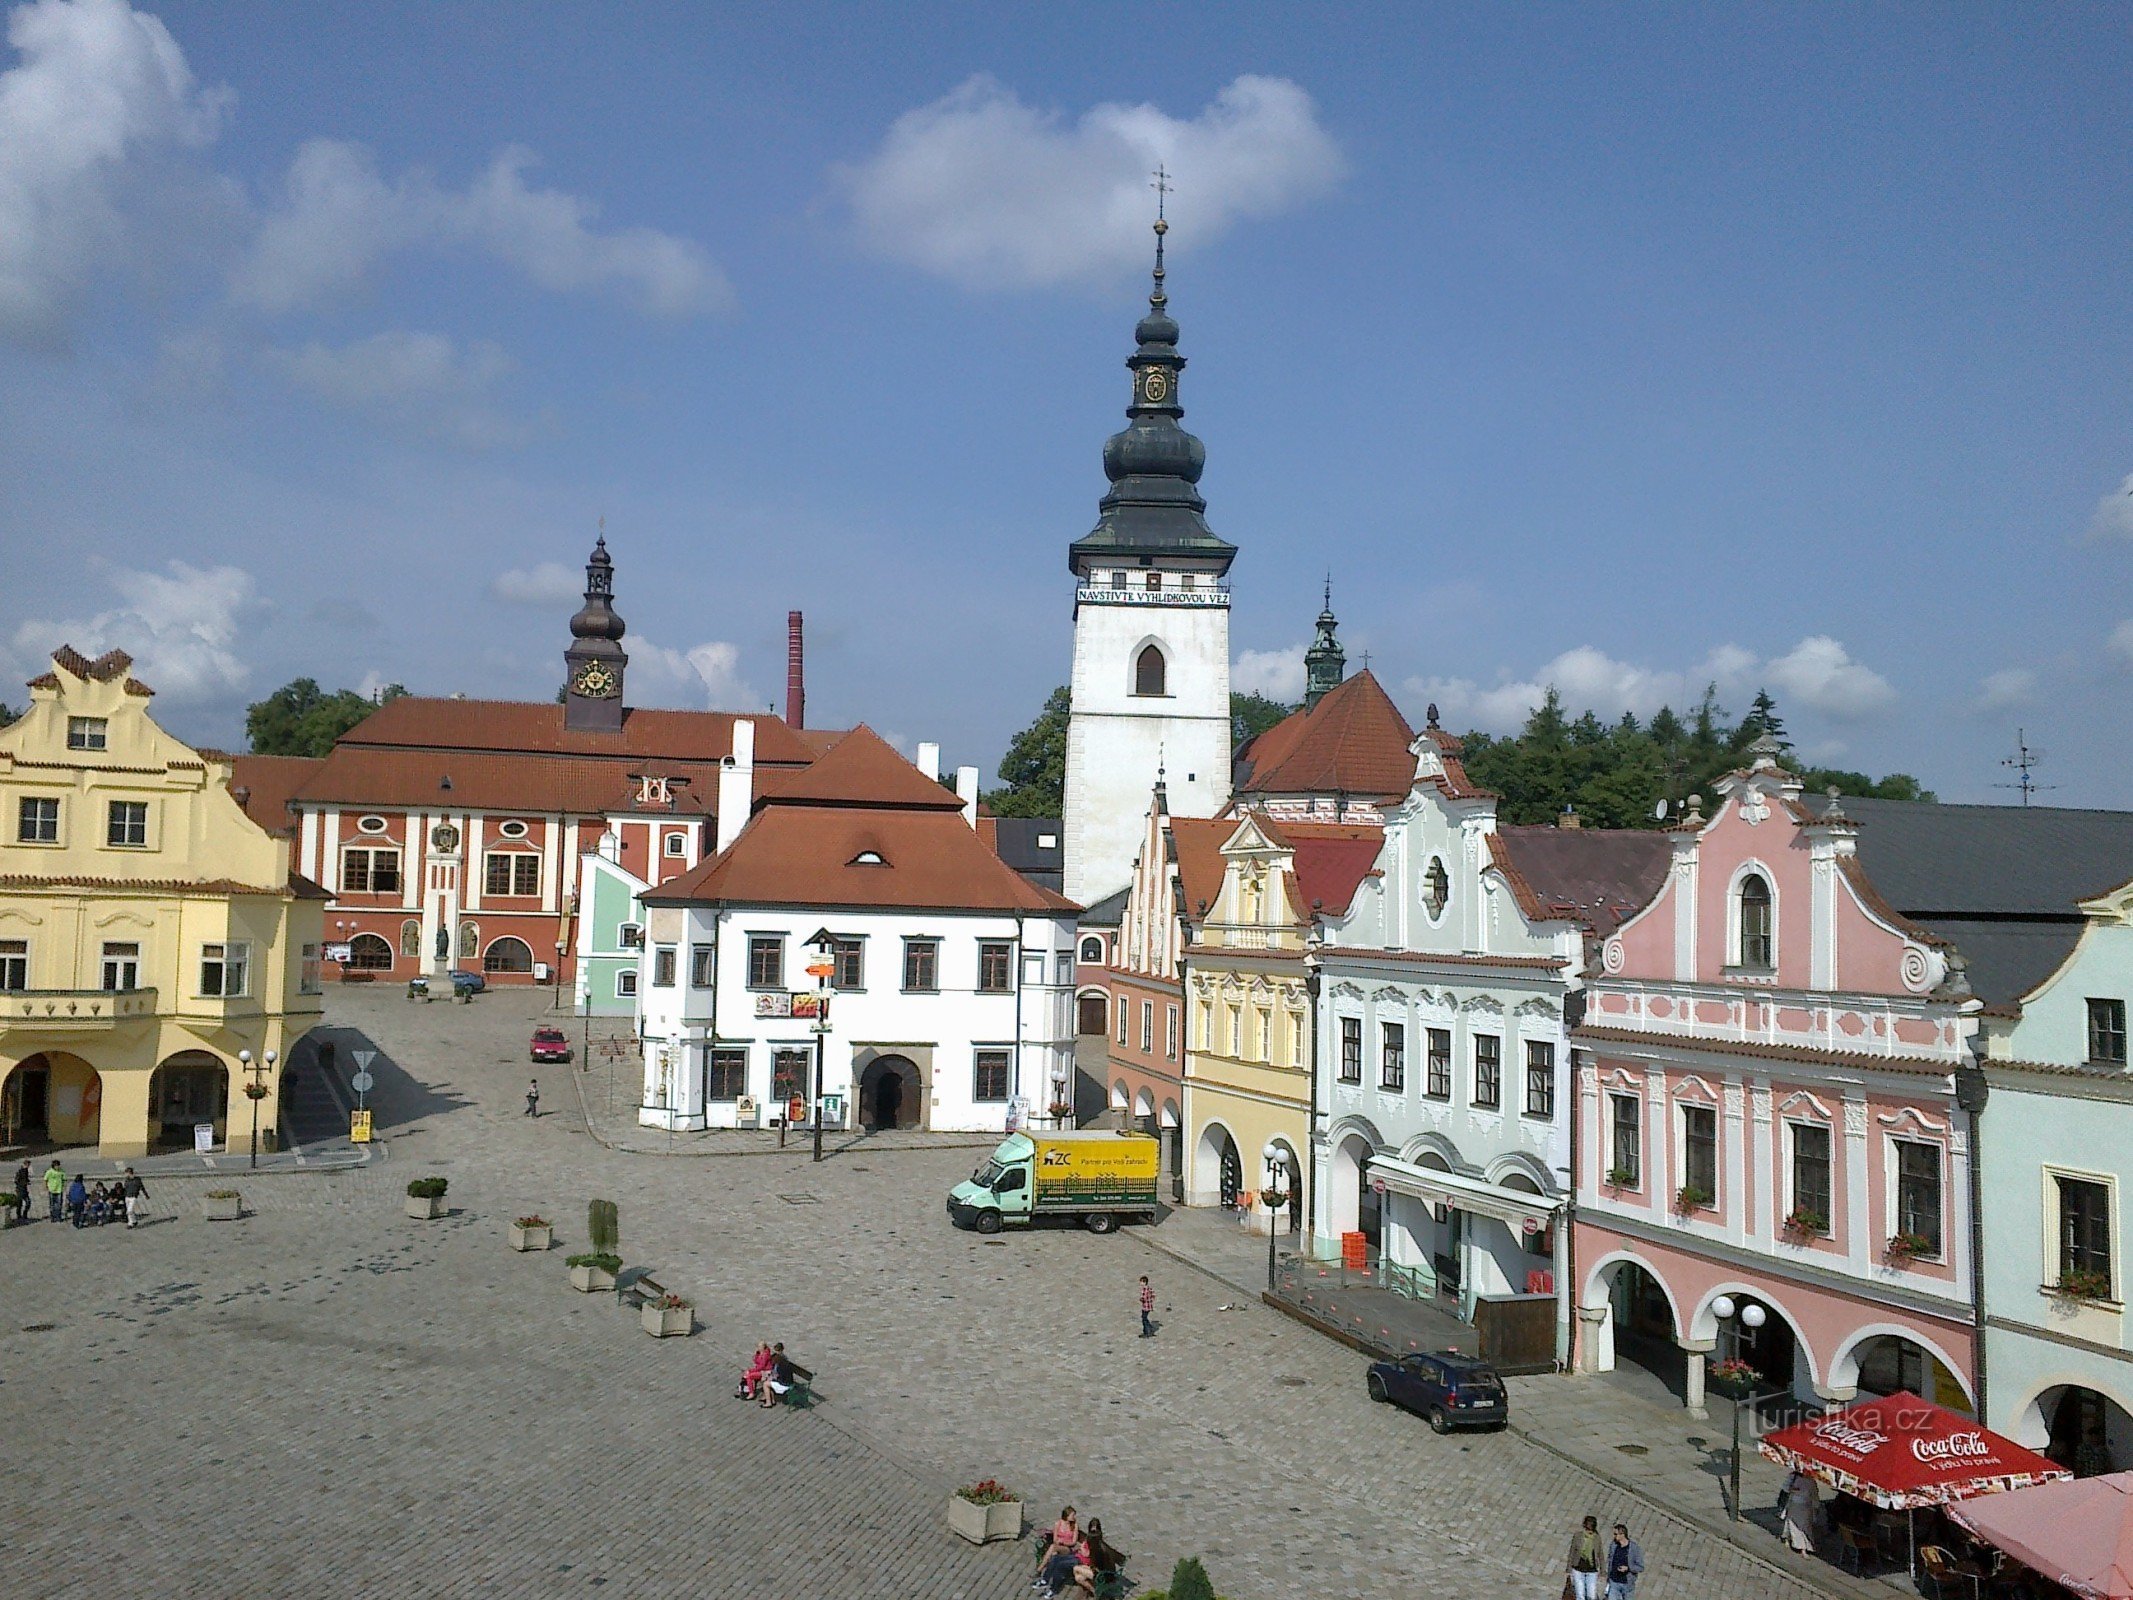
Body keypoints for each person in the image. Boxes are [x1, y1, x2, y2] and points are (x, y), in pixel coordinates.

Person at [1075, 1517, 1125, 1596]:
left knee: (1076, 1569)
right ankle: (1094, 1592)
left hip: (1103, 1576)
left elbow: (1096, 1567)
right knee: (1078, 1578)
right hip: (1107, 1573)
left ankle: (1095, 1592)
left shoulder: (1097, 1550)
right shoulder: (1103, 1546)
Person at [1033, 1508, 1078, 1591]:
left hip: (1067, 1549)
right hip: (1057, 1546)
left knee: (1053, 1548)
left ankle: (1040, 1570)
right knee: (1054, 1554)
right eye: (1072, 1515)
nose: (1074, 1517)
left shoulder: (1074, 1525)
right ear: (1067, 1516)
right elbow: (1055, 1539)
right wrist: (1059, 1542)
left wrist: (1064, 1542)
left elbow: (1074, 1542)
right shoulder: (1058, 1524)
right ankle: (1049, 1581)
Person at [1781, 1468, 1819, 1555]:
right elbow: (1785, 1488)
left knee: (1805, 1527)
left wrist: (1815, 1507)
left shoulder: (1811, 1481)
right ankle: (1796, 1543)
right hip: (1794, 1505)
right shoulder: (1793, 1477)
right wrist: (1793, 1489)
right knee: (1793, 1525)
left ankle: (1805, 1547)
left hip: (1806, 1507)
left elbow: (1814, 1495)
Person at [1567, 1514, 1603, 1600]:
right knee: (1580, 1595)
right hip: (1578, 1569)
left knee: (1591, 1595)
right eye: (1587, 1530)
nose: (1589, 1532)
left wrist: (1603, 1571)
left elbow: (1600, 1555)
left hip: (1592, 1571)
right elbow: (1572, 1552)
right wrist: (1568, 1568)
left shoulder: (1597, 1538)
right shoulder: (1578, 1536)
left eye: (1591, 1530)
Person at [1606, 1523, 1644, 1599]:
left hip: (1627, 1584)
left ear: (1622, 1534)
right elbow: (1610, 1559)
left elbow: (1640, 1567)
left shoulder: (1634, 1548)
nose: (1614, 1536)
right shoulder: (1613, 1545)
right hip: (1614, 1582)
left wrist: (1628, 1568)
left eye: (1616, 1534)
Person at [757, 1342, 795, 1408]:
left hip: (784, 1383)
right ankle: (771, 1399)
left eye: (777, 1351)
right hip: (782, 1380)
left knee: (766, 1384)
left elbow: (780, 1375)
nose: (776, 1353)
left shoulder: (782, 1362)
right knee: (766, 1379)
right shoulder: (781, 1359)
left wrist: (771, 1377)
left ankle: (768, 1402)